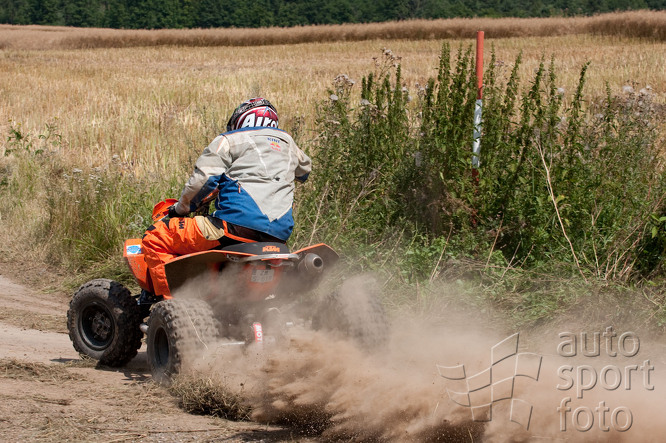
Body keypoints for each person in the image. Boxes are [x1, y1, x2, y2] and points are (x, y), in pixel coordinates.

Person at [141, 97, 311, 298]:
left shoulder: (229, 140)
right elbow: (304, 172)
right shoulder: (290, 144)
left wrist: (181, 208)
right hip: (278, 235)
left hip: (233, 227)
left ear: (241, 119)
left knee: (156, 237)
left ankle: (172, 306)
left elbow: (202, 181)